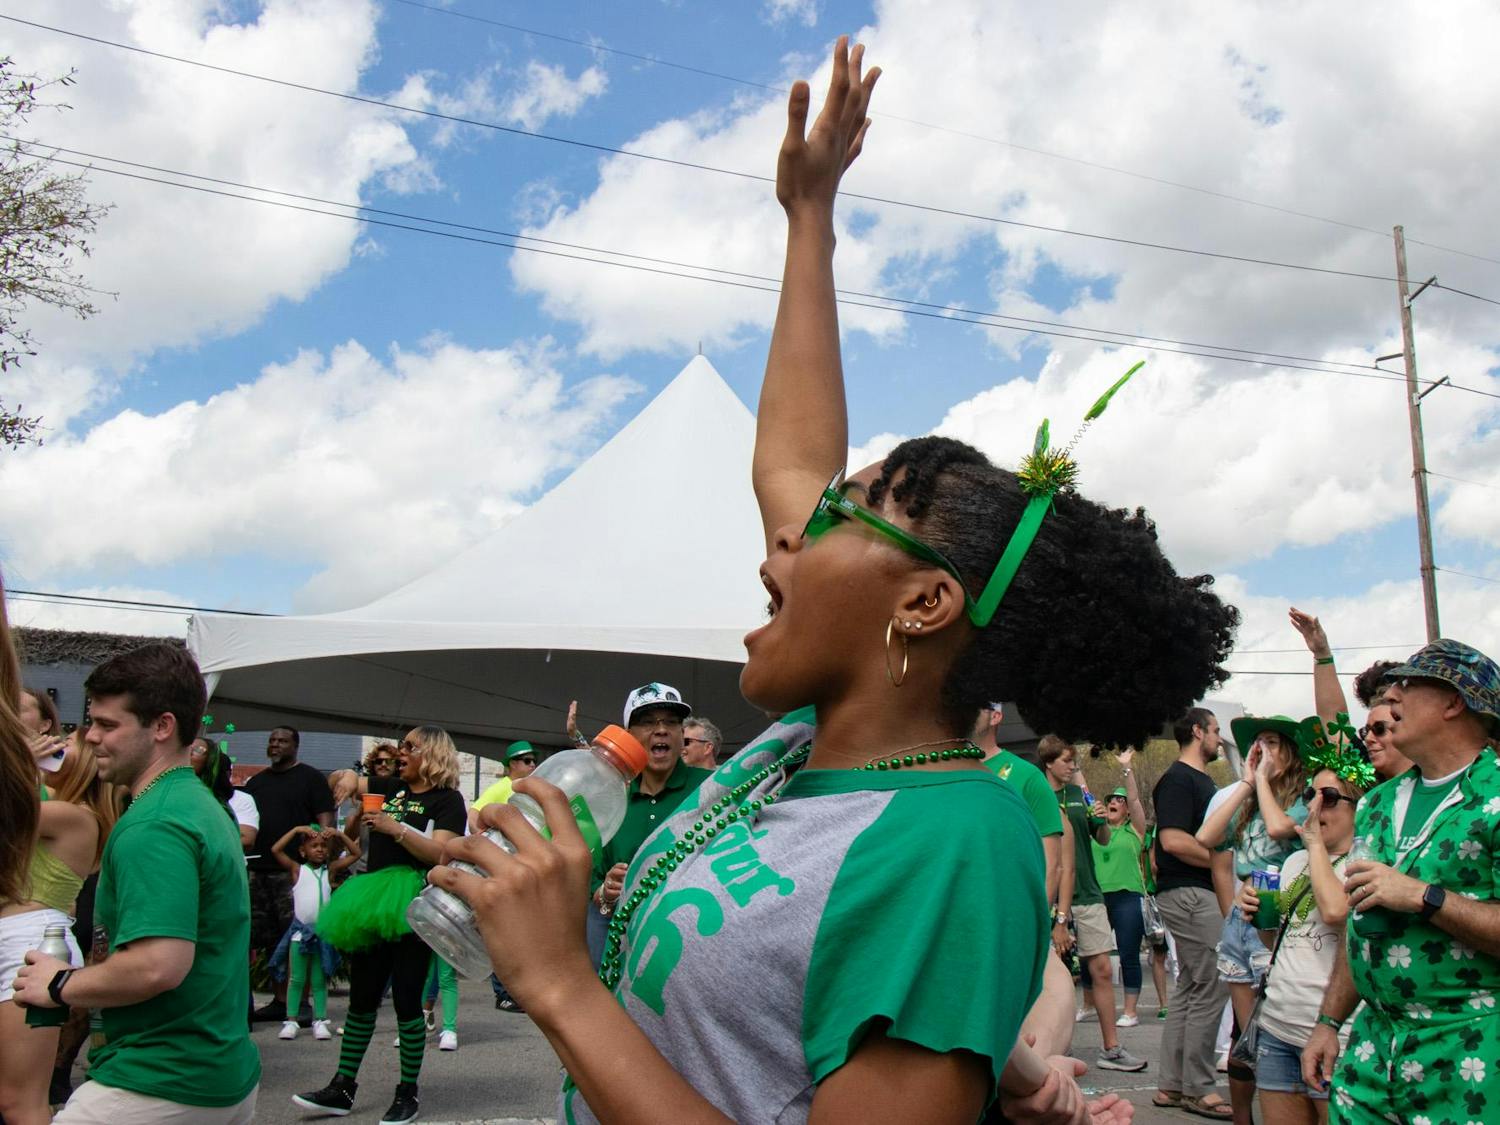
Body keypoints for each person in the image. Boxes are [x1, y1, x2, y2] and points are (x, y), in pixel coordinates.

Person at [427, 38, 1234, 1124]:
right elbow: (790, 456)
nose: (780, 540)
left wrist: (561, 983)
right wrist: (810, 219)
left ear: (922, 604)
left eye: (828, 523)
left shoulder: (956, 838)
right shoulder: (799, 752)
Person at [14, 643, 259, 1123]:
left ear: (162, 727)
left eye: (108, 725)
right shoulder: (199, 803)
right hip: (214, 1074)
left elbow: (157, 967)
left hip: (158, 1082)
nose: (89, 737)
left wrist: (60, 983)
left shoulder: (156, 822)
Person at [1302, 639, 1500, 1123]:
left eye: (1406, 689)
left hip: (1468, 1053)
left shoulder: (1495, 797)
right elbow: (1360, 921)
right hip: (1373, 1050)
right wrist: (1329, 1022)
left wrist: (1423, 897)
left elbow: (1409, 898)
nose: (1391, 700)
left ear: (1455, 702)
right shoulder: (1377, 803)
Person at [301, 727, 466, 1124]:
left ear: (432, 753)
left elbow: (442, 853)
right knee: (362, 997)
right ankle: (342, 1086)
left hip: (413, 903)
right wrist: (341, 779)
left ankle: (407, 1092)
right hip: (372, 902)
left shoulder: (448, 800)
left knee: (408, 1001)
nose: (401, 752)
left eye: (410, 747)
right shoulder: (390, 788)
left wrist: (397, 829)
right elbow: (349, 780)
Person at [1234, 754, 1363, 1125]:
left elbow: (1337, 911)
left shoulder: (1364, 862)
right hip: (1276, 1027)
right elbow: (1275, 940)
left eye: (1330, 797)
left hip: (1330, 1033)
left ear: (1358, 807)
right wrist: (1254, 911)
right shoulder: (1293, 864)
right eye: (1311, 793)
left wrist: (1315, 846)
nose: (1314, 804)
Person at [1197, 717, 1309, 1121]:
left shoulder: (1302, 797)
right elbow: (1207, 838)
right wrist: (1246, 782)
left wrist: (1261, 781)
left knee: (1284, 1030)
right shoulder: (1247, 801)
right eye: (1257, 744)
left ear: (1292, 753)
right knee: (1251, 1039)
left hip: (1277, 925)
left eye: (1272, 742)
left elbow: (1281, 828)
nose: (1262, 750)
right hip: (1239, 926)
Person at [1, 725, 103, 1124]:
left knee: (20, 1102)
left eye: (65, 747)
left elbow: (9, 810)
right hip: (21, 942)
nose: (55, 746)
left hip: (29, 947)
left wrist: (21, 764)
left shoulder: (74, 816)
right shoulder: (55, 806)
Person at [1042, 736, 1147, 1073]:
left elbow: (1101, 839)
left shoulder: (1079, 795)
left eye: (1074, 761)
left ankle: (1112, 1048)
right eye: (1066, 761)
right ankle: (1050, 1049)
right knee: (1053, 978)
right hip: (1048, 896)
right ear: (1048, 763)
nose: (1072, 766)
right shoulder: (1034, 795)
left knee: (1100, 968)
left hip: (1088, 893)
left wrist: (1099, 818)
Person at [1154, 707, 1235, 1119]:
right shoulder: (1178, 780)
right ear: (1198, 731)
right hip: (1189, 893)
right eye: (1216, 732)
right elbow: (1171, 841)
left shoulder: (1200, 780)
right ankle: (1199, 1088)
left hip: (1192, 891)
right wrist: (1225, 863)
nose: (1219, 740)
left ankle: (1171, 1084)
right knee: (1215, 982)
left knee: (1191, 985)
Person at [588, 684, 713, 923]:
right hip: (618, 932)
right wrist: (604, 891)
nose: (661, 730)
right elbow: (591, 871)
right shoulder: (609, 797)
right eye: (647, 722)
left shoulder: (713, 788)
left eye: (672, 722)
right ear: (629, 735)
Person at [244, 725, 334, 1022]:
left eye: (282, 741)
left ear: (296, 746)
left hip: (294, 872)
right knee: (264, 938)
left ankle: (302, 1001)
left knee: (298, 935)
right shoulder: (256, 782)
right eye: (272, 740)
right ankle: (280, 1001)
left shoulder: (311, 779)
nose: (276, 745)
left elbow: (326, 823)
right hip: (257, 868)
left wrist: (322, 857)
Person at [268, 825, 359, 1042]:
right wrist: (296, 830)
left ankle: (320, 1020)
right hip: (300, 934)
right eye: (314, 846)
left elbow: (356, 854)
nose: (319, 850)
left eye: (323, 846)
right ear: (302, 851)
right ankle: (291, 1020)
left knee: (319, 980)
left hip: (322, 935)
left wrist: (338, 834)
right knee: (296, 978)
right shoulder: (298, 870)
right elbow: (275, 850)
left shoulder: (331, 871)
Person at [975, 703, 1063, 904]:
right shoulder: (945, 774)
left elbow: (1053, 865)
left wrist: (1037, 928)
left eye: (975, 706)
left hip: (1010, 911)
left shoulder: (1028, 776)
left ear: (995, 717)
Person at [1090, 753, 1150, 1027]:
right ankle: (1089, 1005)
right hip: (1098, 897)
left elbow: (1136, 800)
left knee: (1128, 954)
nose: (1115, 802)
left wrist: (1127, 768)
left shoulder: (1134, 831)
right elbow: (1085, 794)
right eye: (1111, 799)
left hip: (1128, 896)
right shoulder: (1097, 829)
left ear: (1127, 810)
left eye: (1120, 801)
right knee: (1093, 953)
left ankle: (1130, 1011)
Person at [191, 734, 258, 849]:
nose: (189, 753)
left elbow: (245, 839)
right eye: (186, 748)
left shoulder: (218, 803)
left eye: (198, 750)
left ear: (210, 762)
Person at [468, 740, 539, 831]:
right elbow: (473, 813)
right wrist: (482, 837)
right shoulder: (500, 787)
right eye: (527, 761)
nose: (533, 765)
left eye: (534, 761)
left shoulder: (532, 787)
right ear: (513, 764)